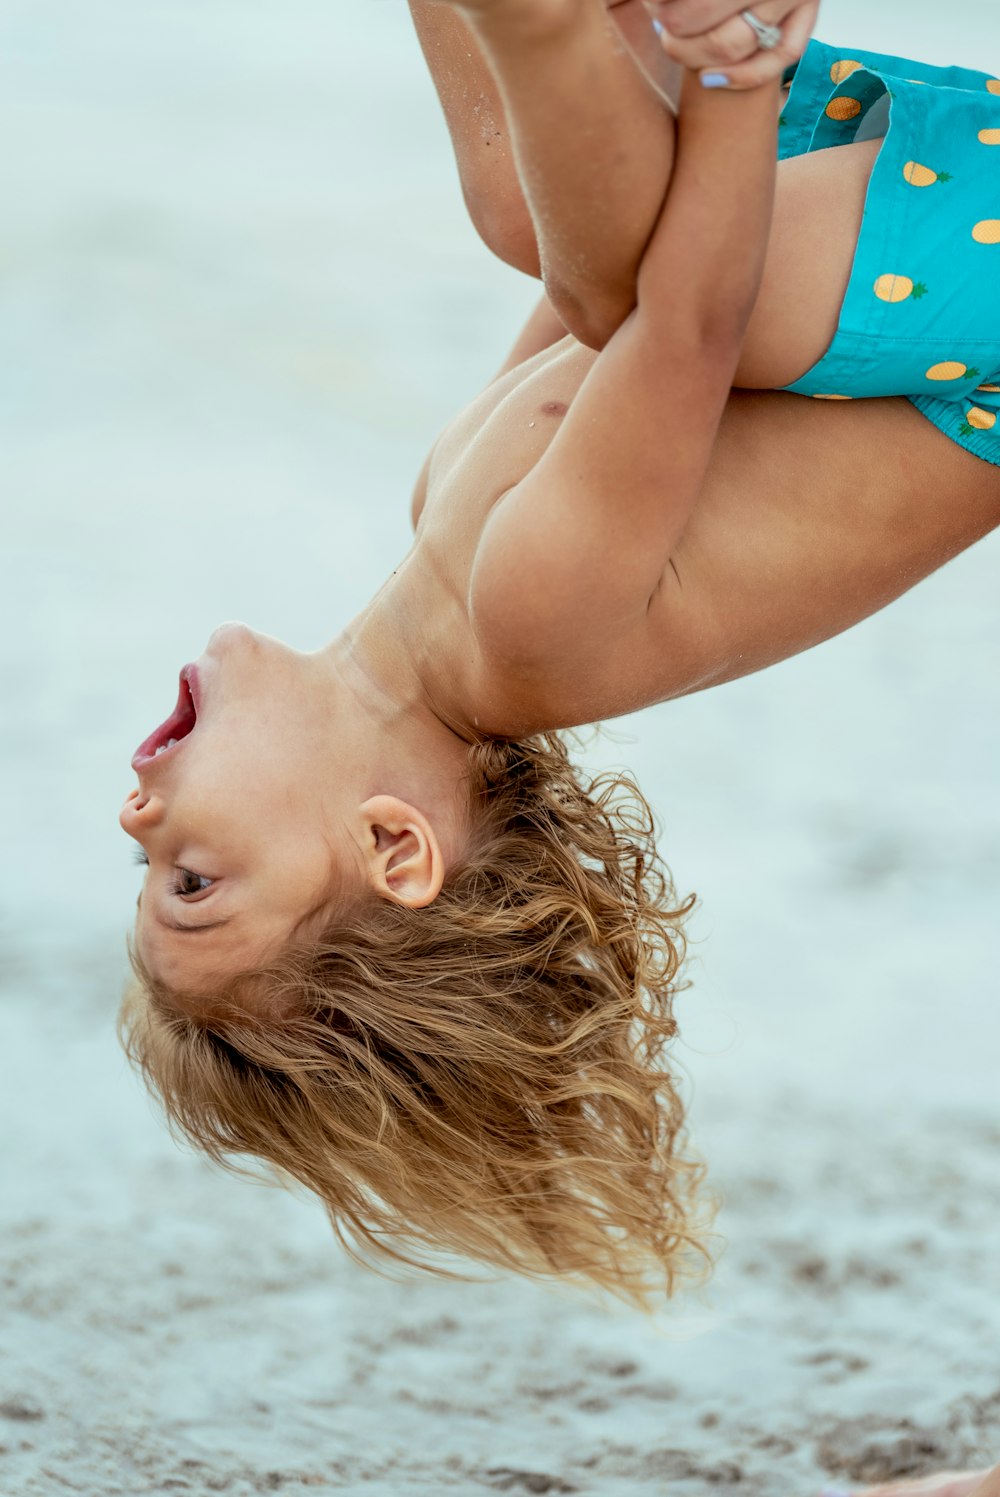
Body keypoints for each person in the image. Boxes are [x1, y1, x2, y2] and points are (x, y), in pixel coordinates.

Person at [120, 0, 999, 1335]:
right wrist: (727, 74)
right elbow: (681, 325)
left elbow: (591, 255)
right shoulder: (527, 626)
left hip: (902, 270)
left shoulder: (442, 522)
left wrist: (641, 62)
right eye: (189, 881)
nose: (135, 816)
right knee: (612, 276)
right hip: (970, 342)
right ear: (393, 845)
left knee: (535, 224)